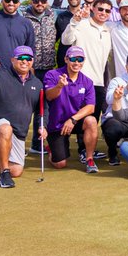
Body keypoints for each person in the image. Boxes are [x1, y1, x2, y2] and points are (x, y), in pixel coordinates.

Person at [0, 46, 47, 188]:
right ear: (13, 59)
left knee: (17, 170)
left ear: (32, 61)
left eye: (28, 58)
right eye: (21, 58)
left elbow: (41, 111)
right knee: (6, 128)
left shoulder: (37, 84)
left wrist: (41, 126)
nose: (25, 61)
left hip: (18, 132)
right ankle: (4, 174)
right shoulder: (0, 75)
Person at [42, 45, 99, 173]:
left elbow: (90, 107)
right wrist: (59, 86)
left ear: (83, 61)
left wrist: (73, 119)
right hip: (56, 124)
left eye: (80, 59)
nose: (76, 62)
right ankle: (51, 148)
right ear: (66, 59)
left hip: (74, 121)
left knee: (91, 121)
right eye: (73, 59)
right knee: (60, 164)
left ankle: (89, 159)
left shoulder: (87, 81)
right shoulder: (52, 74)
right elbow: (49, 96)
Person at [61, 0, 114, 123]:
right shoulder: (81, 24)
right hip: (78, 81)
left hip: (98, 83)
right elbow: (65, 40)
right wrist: (74, 22)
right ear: (93, 9)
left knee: (91, 123)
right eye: (100, 9)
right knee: (71, 122)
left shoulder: (108, 31)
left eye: (107, 10)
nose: (103, 12)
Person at [21, 0, 58, 82]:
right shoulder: (23, 16)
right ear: (31, 2)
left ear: (47, 2)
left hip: (49, 66)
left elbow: (70, 11)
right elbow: (4, 15)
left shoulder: (53, 14)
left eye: (43, 1)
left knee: (48, 95)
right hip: (30, 66)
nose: (40, 3)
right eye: (36, 1)